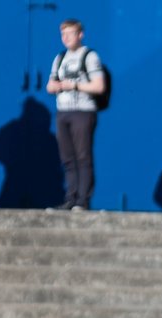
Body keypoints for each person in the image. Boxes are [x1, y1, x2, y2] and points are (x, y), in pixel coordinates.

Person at [45, 18, 103, 210]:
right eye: (63, 34)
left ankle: (82, 201)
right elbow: (50, 84)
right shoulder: (59, 58)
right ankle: (71, 198)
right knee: (67, 159)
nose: (66, 38)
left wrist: (74, 85)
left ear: (80, 35)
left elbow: (99, 85)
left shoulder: (89, 56)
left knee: (83, 156)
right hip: (63, 112)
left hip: (83, 112)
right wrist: (55, 86)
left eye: (70, 33)